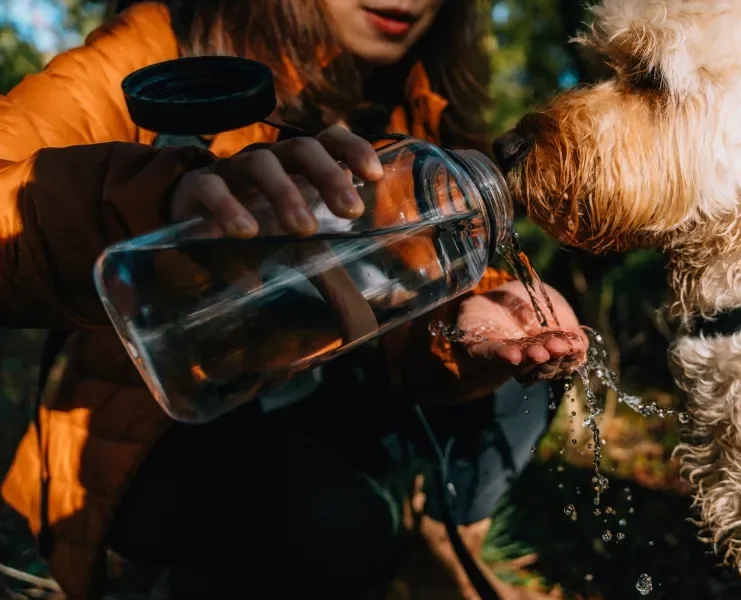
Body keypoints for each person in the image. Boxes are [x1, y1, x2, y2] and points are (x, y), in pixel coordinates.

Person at [0, 1, 588, 598]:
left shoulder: (424, 99)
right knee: (336, 524)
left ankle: (433, 542)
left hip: (327, 390)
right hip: (160, 413)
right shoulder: (172, 40)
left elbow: (404, 315)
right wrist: (158, 203)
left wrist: (460, 322)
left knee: (525, 373)